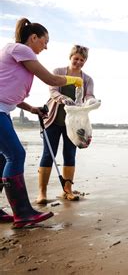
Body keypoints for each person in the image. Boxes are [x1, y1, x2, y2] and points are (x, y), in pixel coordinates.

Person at [0, 18, 83, 228]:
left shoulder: (17, 54)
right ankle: (23, 213)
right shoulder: (21, 49)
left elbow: (10, 93)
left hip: (4, 110)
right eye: (44, 41)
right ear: (33, 37)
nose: (45, 47)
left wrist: (31, 109)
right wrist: (76, 80)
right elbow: (51, 80)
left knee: (2, 158)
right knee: (16, 155)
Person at [36, 45, 95, 204]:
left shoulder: (87, 79)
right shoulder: (58, 71)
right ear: (70, 57)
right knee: (49, 154)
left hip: (73, 125)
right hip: (54, 119)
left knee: (70, 154)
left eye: (82, 60)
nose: (78, 62)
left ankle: (67, 190)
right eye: (76, 58)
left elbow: (89, 95)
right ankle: (42, 192)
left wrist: (91, 101)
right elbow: (53, 91)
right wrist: (63, 98)